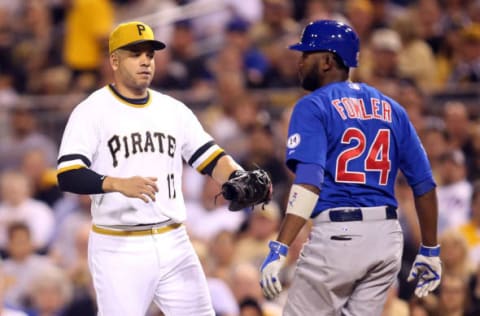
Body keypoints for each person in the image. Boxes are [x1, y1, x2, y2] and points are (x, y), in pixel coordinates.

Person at [56, 21, 270, 316]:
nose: (145, 60)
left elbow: (211, 158)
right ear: (114, 61)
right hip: (119, 245)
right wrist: (116, 183)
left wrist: (236, 175)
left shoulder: (173, 110)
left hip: (174, 240)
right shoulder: (91, 111)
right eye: (135, 53)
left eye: (150, 54)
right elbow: (68, 174)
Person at [259, 20, 441, 315]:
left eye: (307, 54)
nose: (300, 61)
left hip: (339, 237)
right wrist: (430, 249)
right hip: (386, 239)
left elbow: (309, 180)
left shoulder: (313, 105)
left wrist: (281, 246)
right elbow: (424, 184)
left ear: (328, 61)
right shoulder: (392, 108)